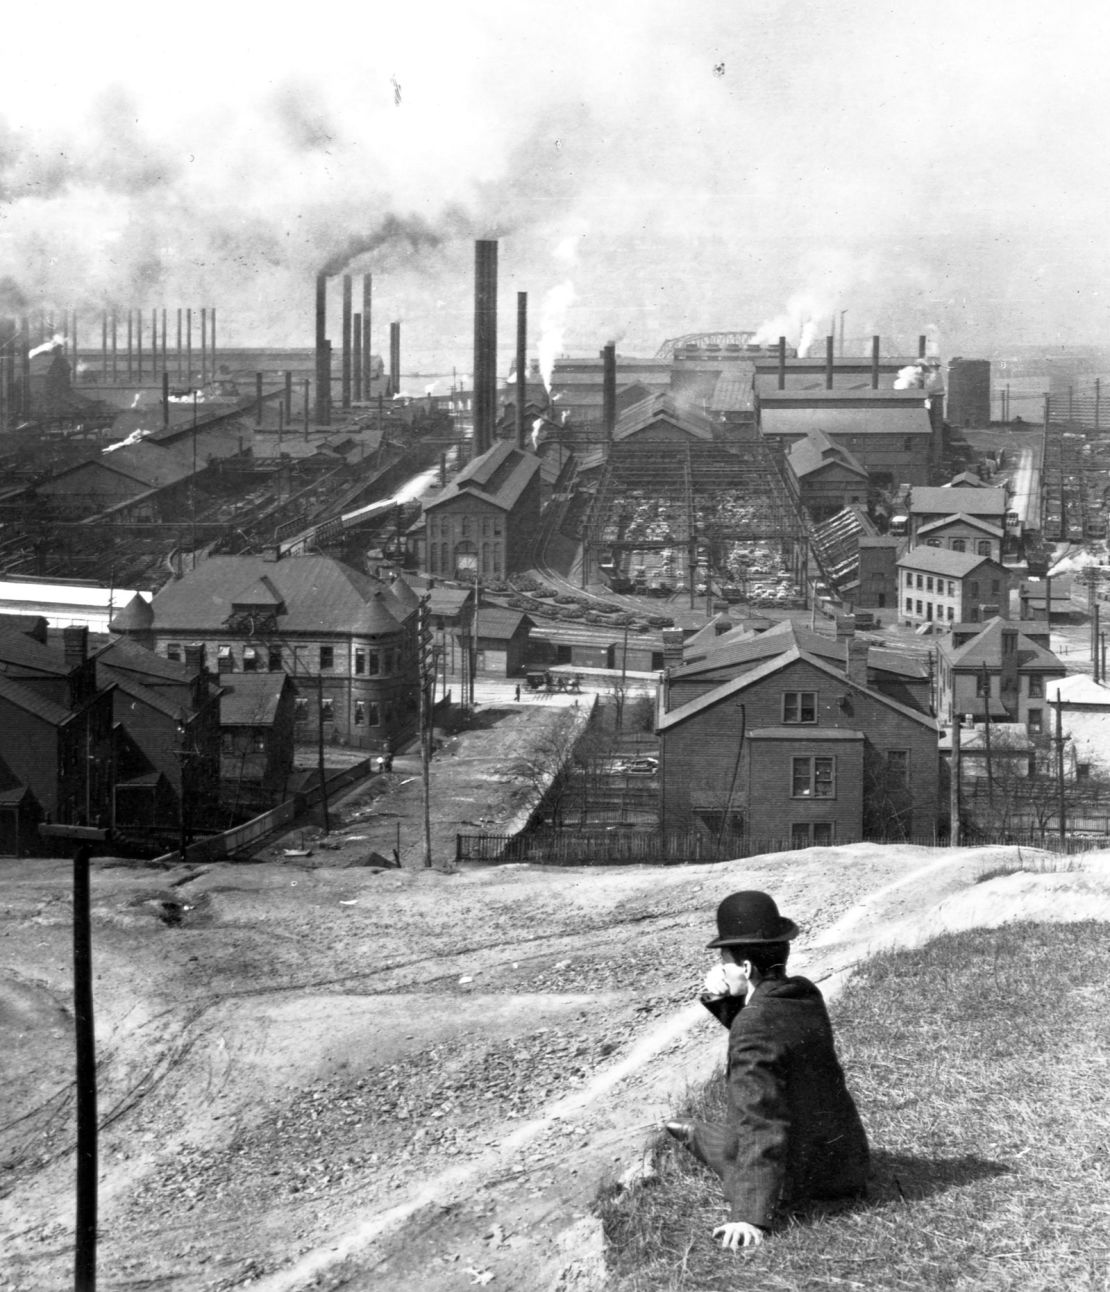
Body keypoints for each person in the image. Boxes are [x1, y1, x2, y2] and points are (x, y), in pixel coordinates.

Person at [665, 890, 869, 1251]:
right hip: (844, 1167)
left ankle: (692, 1133)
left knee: (726, 1141)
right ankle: (695, 1133)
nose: (719, 970)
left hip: (800, 1178)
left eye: (724, 962)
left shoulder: (755, 1023)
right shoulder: (804, 993)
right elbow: (768, 1035)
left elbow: (760, 1117)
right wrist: (726, 999)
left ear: (745, 968)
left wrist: (749, 1215)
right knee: (726, 1138)